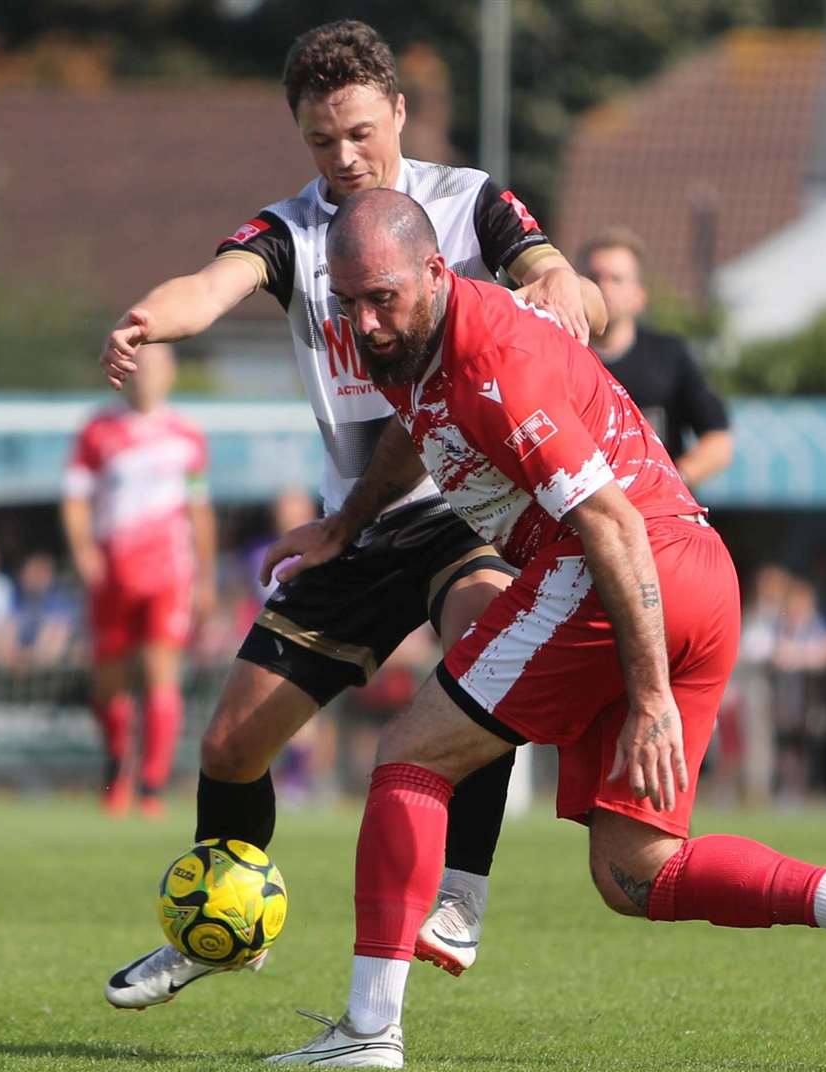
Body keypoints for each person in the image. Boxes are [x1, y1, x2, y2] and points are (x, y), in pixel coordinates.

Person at [264, 189, 826, 1067]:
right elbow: (417, 428)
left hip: (626, 569)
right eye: (349, 300)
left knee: (410, 756)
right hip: (695, 575)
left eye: (384, 298)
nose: (366, 322)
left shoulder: (495, 362)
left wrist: (649, 699)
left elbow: (610, 525)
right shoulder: (408, 344)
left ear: (437, 273)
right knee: (635, 872)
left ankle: (367, 1032)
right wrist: (344, 523)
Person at [98, 19, 607, 1006]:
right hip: (359, 524)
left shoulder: (466, 203)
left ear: (399, 115)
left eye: (360, 134)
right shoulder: (291, 230)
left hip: (472, 513)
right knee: (228, 746)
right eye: (321, 141)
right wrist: (148, 318)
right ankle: (219, 924)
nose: (343, 158)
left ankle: (458, 893)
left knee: (481, 646)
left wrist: (554, 279)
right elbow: (212, 286)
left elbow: (544, 263)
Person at [63, 342, 216, 819]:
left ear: (170, 375)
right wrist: (85, 552)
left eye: (156, 367)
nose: (147, 376)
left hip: (169, 572)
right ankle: (116, 768)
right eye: (140, 367)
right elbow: (75, 499)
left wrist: (206, 576)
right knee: (109, 681)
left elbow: (198, 508)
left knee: (160, 674)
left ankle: (151, 785)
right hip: (113, 572)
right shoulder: (97, 431)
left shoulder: (186, 435)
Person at [582, 227, 732, 488]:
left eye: (616, 279)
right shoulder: (559, 357)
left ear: (639, 297)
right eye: (594, 277)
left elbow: (718, 440)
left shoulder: (669, 355)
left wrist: (669, 484)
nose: (603, 287)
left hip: (657, 518)